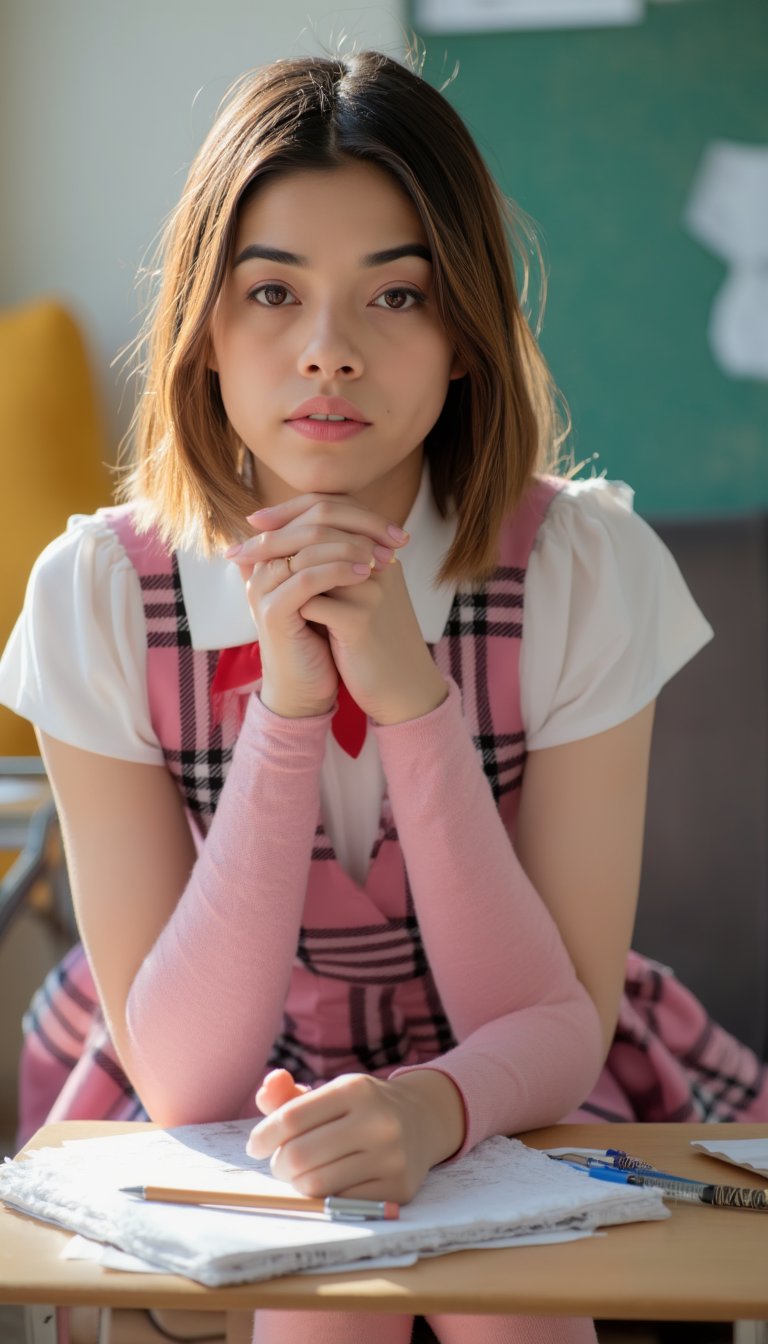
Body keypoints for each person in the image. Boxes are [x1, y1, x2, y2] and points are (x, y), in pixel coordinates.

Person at [1, 49, 765, 1344]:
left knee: (511, 1315)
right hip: (206, 1104)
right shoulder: (99, 595)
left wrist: (415, 708)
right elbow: (185, 1072)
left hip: (535, 1077)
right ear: (202, 329)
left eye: (394, 295)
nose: (328, 353)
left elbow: (549, 1022)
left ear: (464, 334)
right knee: (321, 1311)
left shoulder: (582, 568)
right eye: (271, 292)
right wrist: (290, 715)